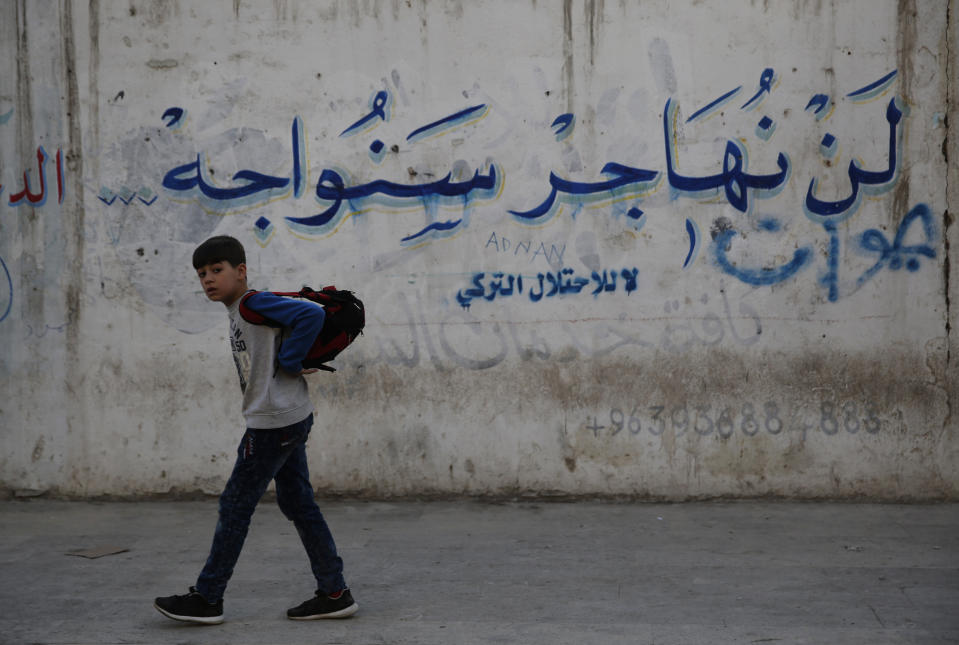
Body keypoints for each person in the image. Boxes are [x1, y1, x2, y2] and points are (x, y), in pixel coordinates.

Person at [154, 235, 358, 624]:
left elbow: (311, 315)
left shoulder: (250, 302)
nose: (208, 280)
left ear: (241, 271)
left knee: (235, 505)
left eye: (217, 270)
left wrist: (293, 360)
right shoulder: (239, 309)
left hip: (272, 424)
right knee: (298, 503)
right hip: (287, 417)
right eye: (202, 274)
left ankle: (209, 597)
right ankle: (335, 592)